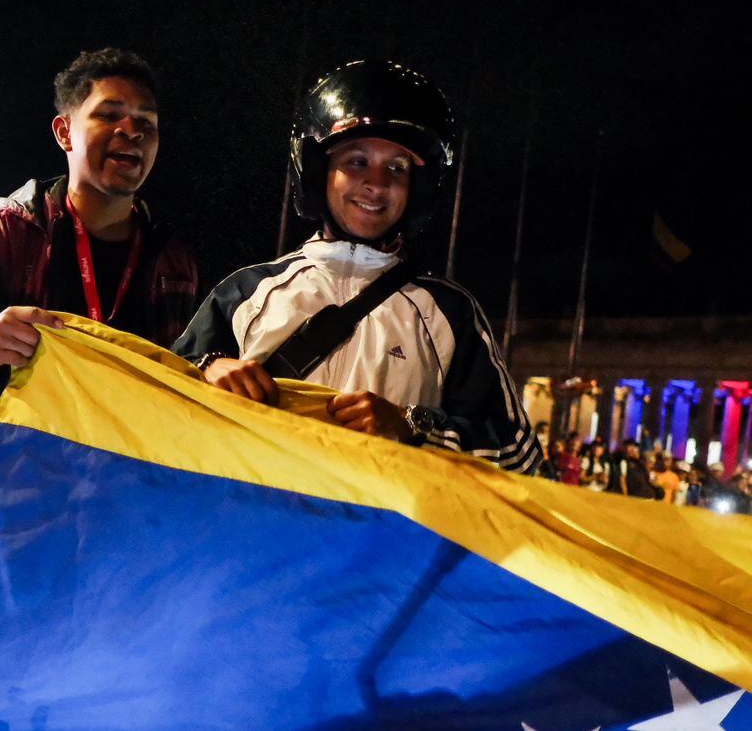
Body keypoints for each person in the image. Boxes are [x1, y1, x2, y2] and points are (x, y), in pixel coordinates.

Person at [0, 47, 198, 668]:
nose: (132, 132)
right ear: (64, 131)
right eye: (110, 115)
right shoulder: (8, 232)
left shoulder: (173, 260)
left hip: (109, 538)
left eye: (147, 121)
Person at [174, 60, 543, 476]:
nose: (378, 183)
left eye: (397, 168)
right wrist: (206, 368)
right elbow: (152, 399)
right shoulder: (246, 292)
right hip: (251, 534)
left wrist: (412, 426)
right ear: (319, 172)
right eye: (356, 161)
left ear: (417, 189)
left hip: (381, 539)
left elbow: (522, 459)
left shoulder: (449, 313)